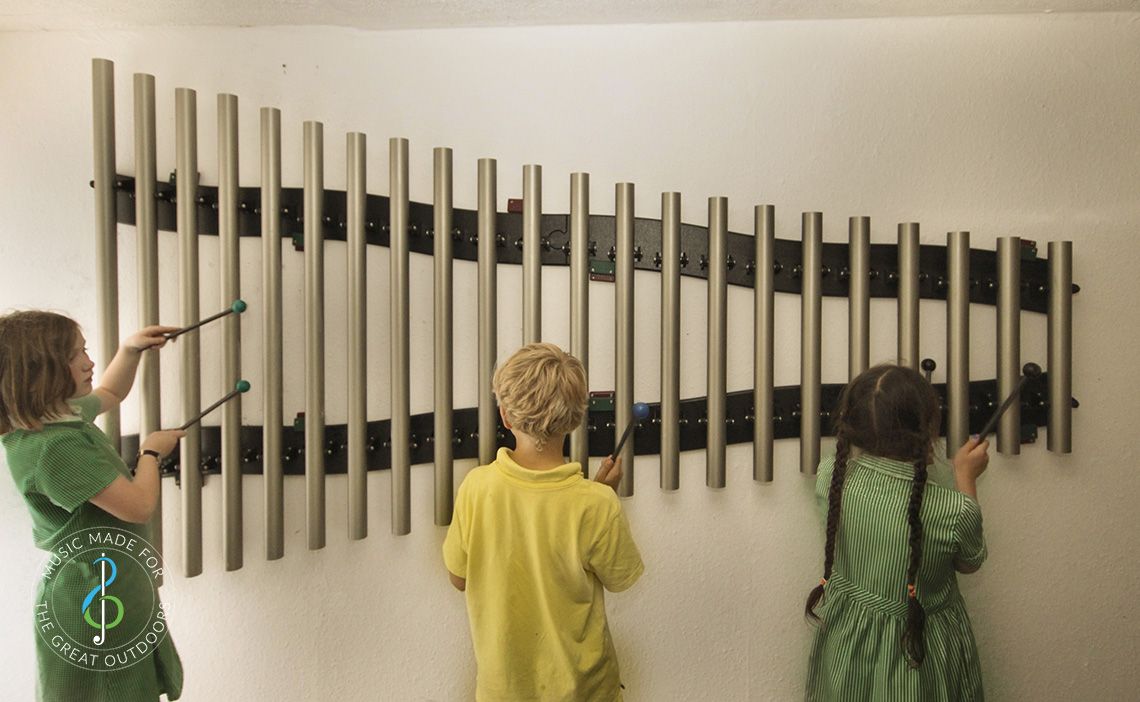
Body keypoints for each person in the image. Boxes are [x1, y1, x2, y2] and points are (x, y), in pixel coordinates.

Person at [443, 342, 644, 701]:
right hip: (585, 692)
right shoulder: (596, 504)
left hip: (502, 691)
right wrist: (604, 496)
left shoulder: (476, 487)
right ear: (576, 417)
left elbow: (459, 577)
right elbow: (619, 578)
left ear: (505, 416)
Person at [0, 311, 184, 701]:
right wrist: (151, 452)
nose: (89, 362)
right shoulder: (54, 447)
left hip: (109, 582)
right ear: (40, 371)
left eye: (85, 350)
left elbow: (111, 393)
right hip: (92, 602)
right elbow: (137, 506)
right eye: (75, 355)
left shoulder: (54, 416)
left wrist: (130, 350)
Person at [803, 364, 991, 701]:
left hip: (847, 645)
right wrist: (965, 476)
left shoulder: (831, 474)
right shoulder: (952, 509)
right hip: (918, 657)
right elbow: (971, 559)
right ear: (929, 429)